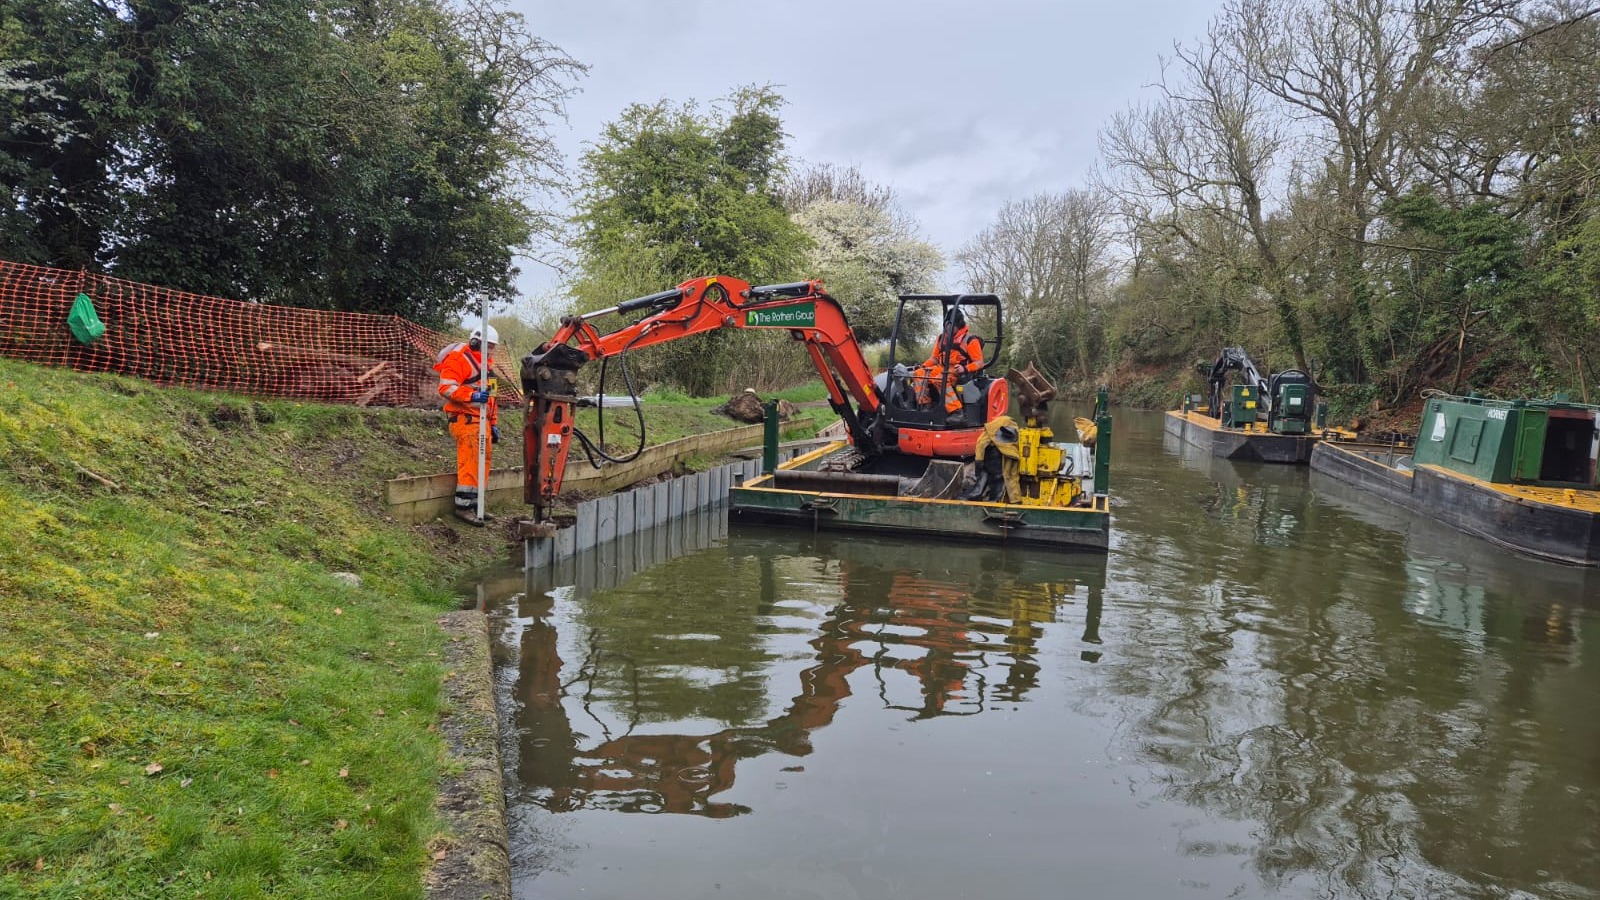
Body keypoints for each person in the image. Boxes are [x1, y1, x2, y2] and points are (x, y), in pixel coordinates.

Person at [434, 324, 501, 525]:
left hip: (483, 422)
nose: (490, 350)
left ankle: (476, 504)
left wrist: (494, 422)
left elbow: (493, 398)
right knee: (471, 463)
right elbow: (445, 387)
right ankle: (463, 507)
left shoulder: (488, 366)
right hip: (466, 420)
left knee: (484, 462)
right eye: (487, 345)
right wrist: (471, 395)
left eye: (492, 346)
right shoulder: (459, 359)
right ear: (475, 342)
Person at [912, 306, 984, 420]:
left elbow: (979, 363)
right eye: (947, 325)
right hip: (941, 367)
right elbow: (934, 358)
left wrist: (965, 368)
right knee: (918, 373)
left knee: (940, 378)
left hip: (959, 371)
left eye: (952, 326)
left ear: (959, 325)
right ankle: (925, 405)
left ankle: (957, 411)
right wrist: (923, 366)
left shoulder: (970, 340)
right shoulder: (941, 338)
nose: (949, 329)